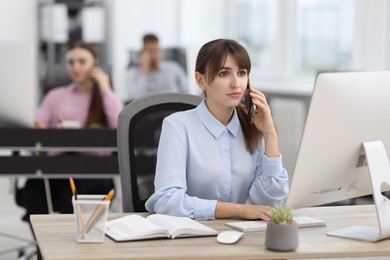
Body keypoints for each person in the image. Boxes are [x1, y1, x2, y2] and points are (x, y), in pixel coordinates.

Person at [145, 39, 289, 220]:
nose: (236, 83)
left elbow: (270, 205)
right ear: (200, 80)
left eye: (242, 73)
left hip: (238, 236)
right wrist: (238, 210)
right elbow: (167, 201)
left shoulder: (254, 126)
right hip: (189, 237)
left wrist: (270, 135)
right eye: (224, 73)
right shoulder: (177, 126)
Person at [18, 42, 123, 221]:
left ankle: (69, 240)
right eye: (71, 62)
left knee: (70, 187)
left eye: (82, 61)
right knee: (35, 185)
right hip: (56, 167)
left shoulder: (105, 97)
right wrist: (45, 129)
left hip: (93, 170)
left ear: (94, 63)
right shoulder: (55, 96)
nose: (75, 67)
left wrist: (105, 87)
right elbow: (38, 123)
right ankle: (44, 244)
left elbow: (118, 125)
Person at [126, 34, 188, 100]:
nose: (155, 55)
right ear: (143, 53)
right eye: (150, 51)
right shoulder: (133, 72)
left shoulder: (173, 68)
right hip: (149, 108)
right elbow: (133, 98)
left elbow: (186, 90)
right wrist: (144, 71)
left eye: (156, 50)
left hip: (174, 106)